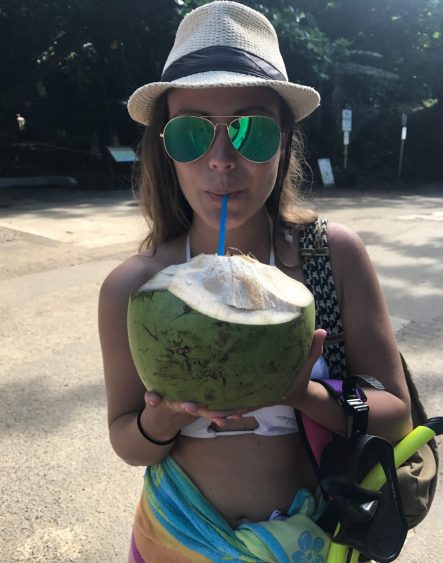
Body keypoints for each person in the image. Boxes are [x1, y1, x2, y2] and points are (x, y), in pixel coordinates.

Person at [98, 2, 412, 561]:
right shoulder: (135, 288)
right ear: (166, 150)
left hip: (311, 541)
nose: (223, 159)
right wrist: (167, 414)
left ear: (285, 142)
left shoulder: (331, 257)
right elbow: (128, 442)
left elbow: (396, 417)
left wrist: (302, 394)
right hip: (176, 538)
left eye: (251, 130)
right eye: (194, 133)